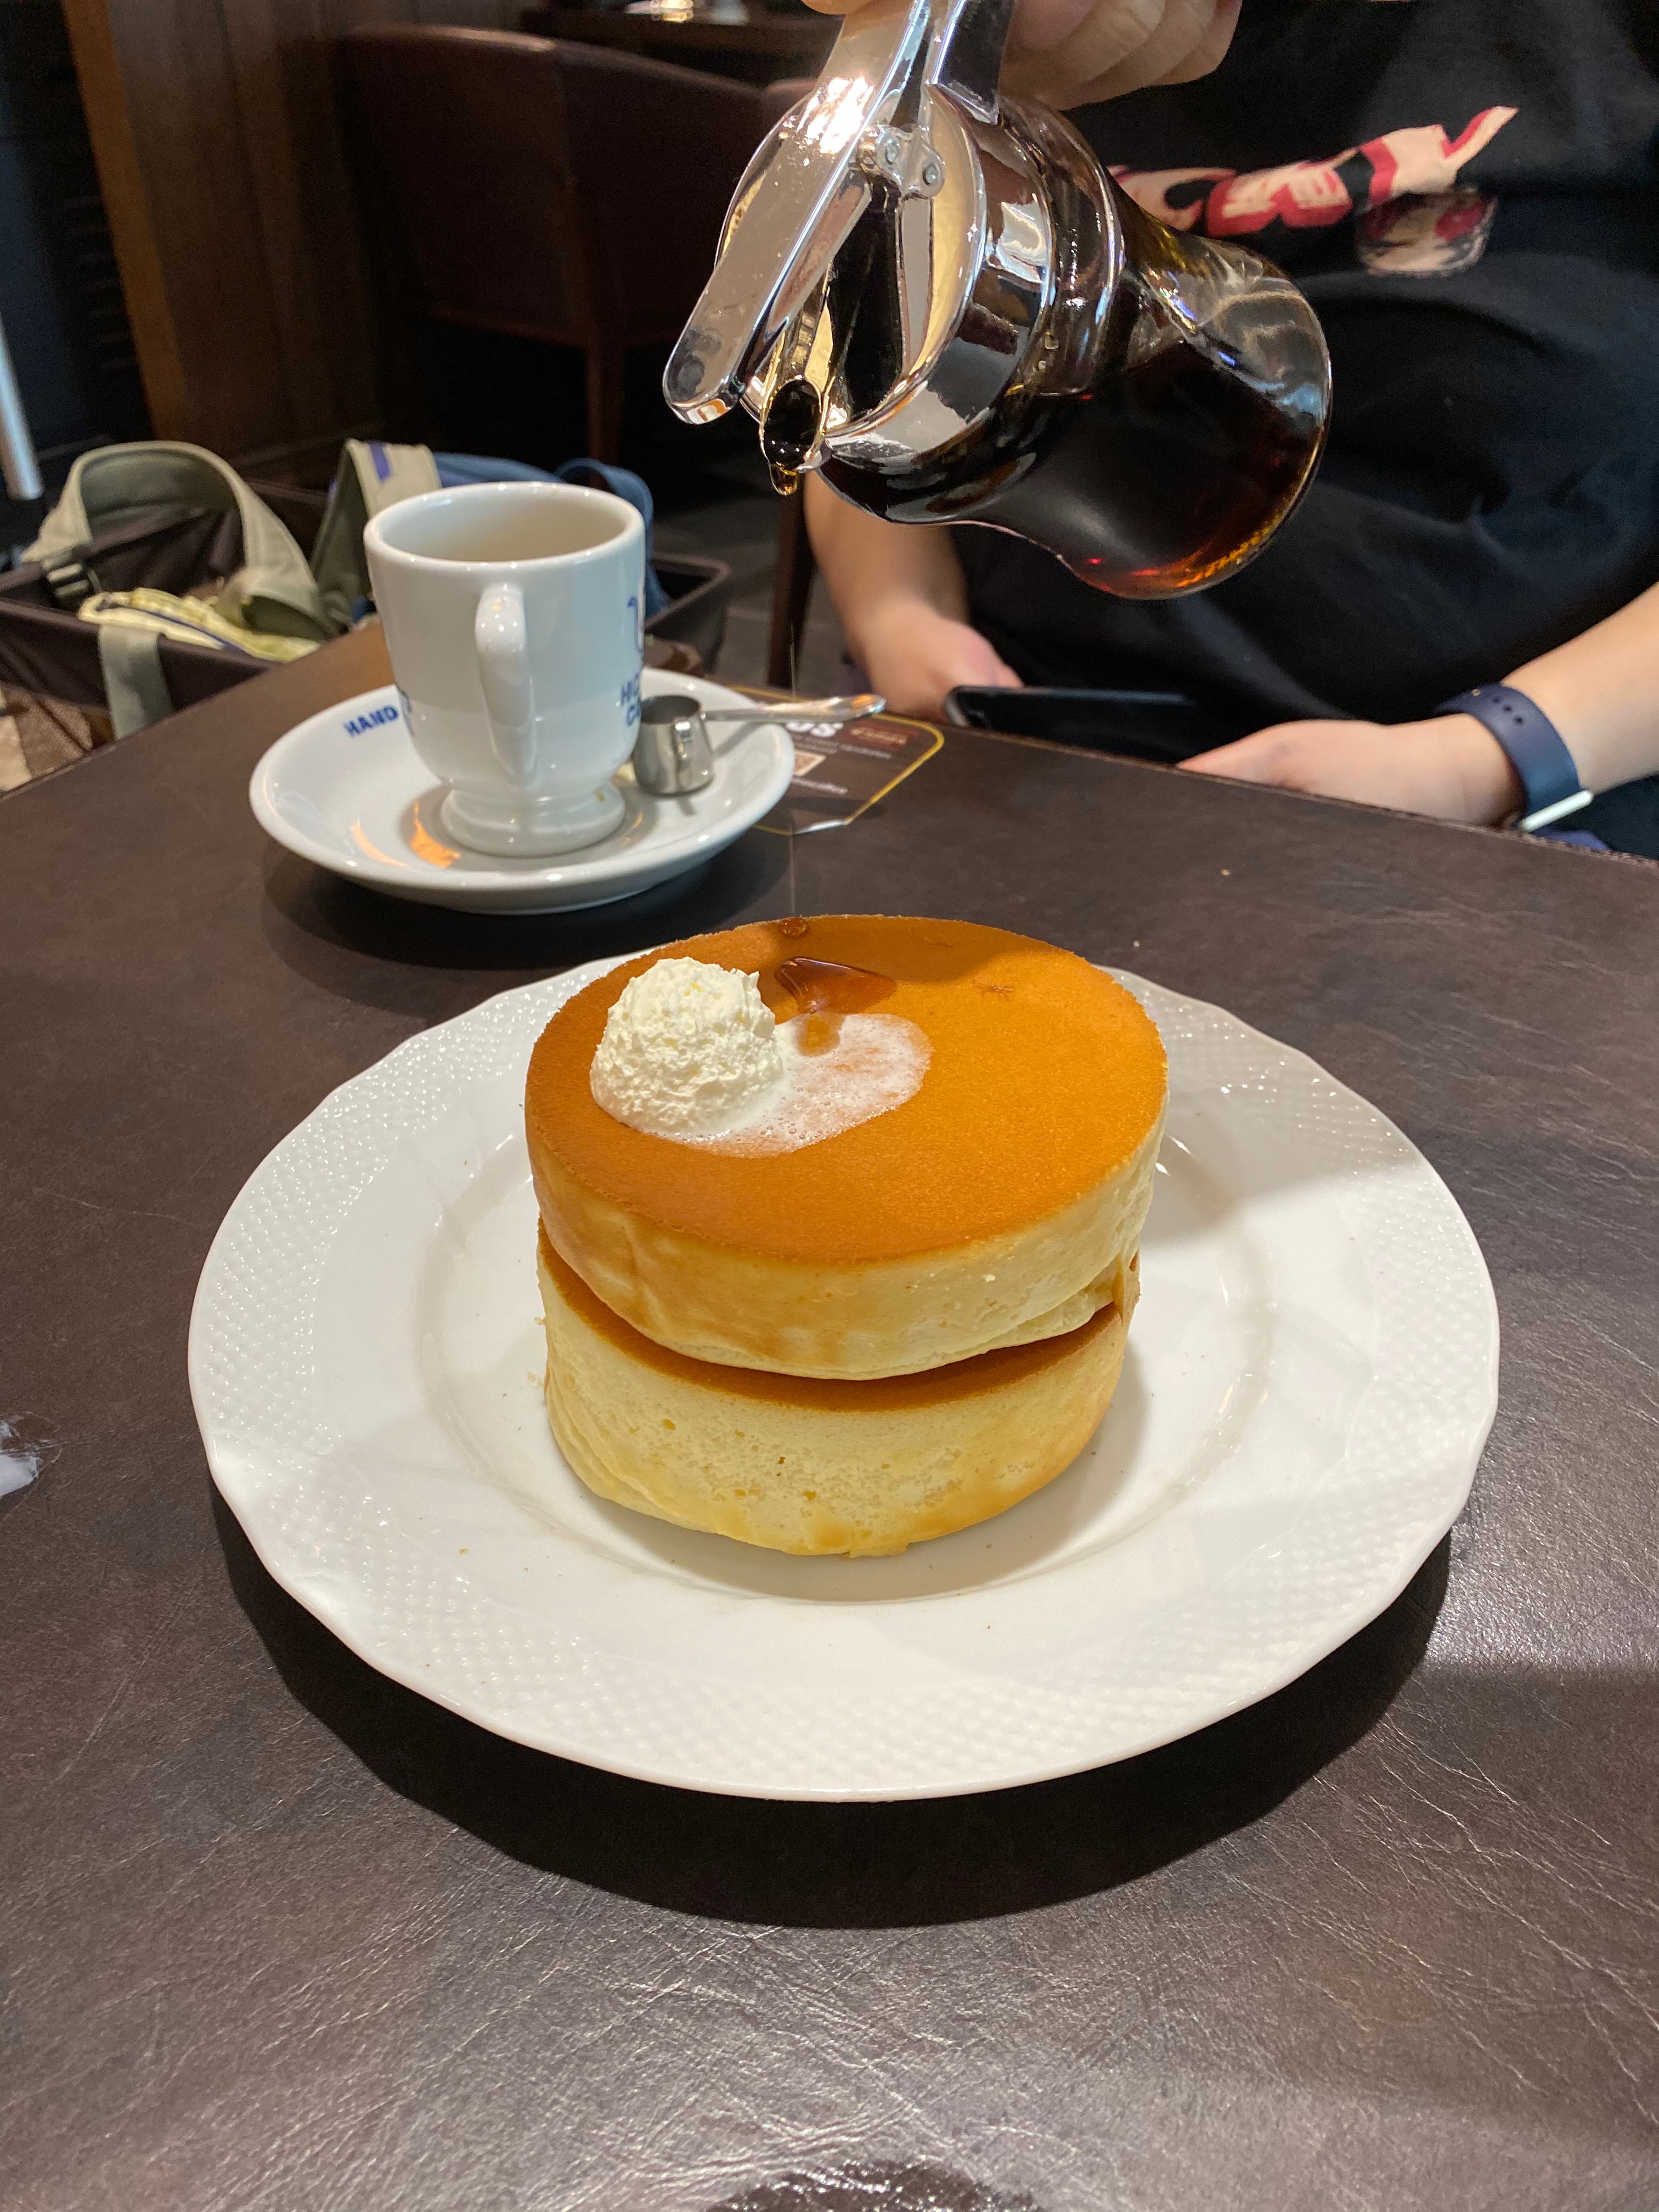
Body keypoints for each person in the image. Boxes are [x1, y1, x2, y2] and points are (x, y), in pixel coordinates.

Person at [802, 0, 1659, 854]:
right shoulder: (993, 28)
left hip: (1496, 784)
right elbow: (861, 384)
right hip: (1016, 732)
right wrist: (898, 613)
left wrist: (1482, 759)